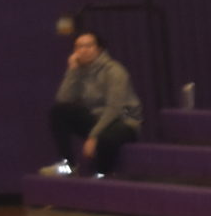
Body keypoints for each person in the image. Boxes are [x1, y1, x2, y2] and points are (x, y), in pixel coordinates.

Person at [47, 32, 142, 176]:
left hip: (123, 122)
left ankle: (101, 174)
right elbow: (63, 98)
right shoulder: (79, 71)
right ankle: (68, 165)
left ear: (99, 49)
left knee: (105, 139)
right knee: (58, 112)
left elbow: (114, 109)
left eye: (88, 46)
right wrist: (72, 71)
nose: (83, 50)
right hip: (97, 119)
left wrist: (93, 136)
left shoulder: (115, 71)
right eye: (78, 47)